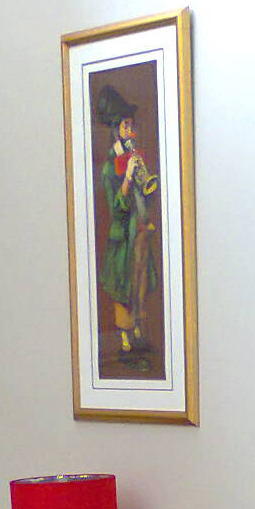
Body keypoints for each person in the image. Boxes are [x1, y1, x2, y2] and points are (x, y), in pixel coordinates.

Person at [92, 84, 159, 358]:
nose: (132, 131)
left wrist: (145, 183)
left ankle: (140, 329)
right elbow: (116, 207)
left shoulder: (135, 157)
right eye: (126, 126)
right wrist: (128, 177)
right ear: (117, 130)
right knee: (124, 287)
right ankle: (124, 336)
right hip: (123, 239)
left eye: (133, 125)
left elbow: (148, 199)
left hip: (141, 232)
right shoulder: (111, 166)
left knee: (141, 283)